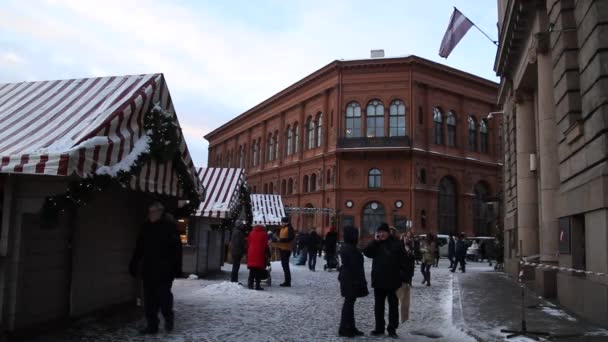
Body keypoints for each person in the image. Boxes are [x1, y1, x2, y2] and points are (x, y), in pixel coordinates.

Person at [129, 202, 181, 334]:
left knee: (164, 297)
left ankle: (168, 318)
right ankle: (152, 326)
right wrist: (134, 263)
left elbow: (177, 250)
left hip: (165, 270)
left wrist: (176, 268)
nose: (150, 214)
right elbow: (139, 247)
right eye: (149, 212)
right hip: (149, 269)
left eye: (153, 212)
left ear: (160, 212)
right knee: (149, 299)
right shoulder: (146, 227)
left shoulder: (170, 227)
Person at [362, 223, 409, 339]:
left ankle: (392, 329)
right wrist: (375, 241)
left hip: (393, 280)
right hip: (378, 280)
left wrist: (403, 276)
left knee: (393, 306)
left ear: (388, 233)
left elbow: (405, 261)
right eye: (379, 232)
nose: (381, 234)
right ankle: (379, 328)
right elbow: (367, 253)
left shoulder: (397, 244)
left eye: (383, 232)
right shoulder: (376, 244)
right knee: (379, 306)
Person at [338, 226, 368, 338]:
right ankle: (345, 328)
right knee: (349, 304)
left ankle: (349, 327)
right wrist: (357, 281)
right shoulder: (350, 249)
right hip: (351, 279)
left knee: (349, 303)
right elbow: (354, 266)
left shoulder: (347, 247)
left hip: (348, 278)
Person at [247, 225, 269, 290]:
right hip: (259, 253)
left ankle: (250, 285)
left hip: (251, 252)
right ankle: (257, 286)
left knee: (252, 270)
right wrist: (268, 253)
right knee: (258, 271)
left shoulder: (251, 233)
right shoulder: (264, 234)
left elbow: (248, 242)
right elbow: (265, 244)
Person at [276, 216, 295, 287]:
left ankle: (287, 282)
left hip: (286, 249)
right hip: (282, 248)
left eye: (282, 222)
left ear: (285, 222)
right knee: (284, 265)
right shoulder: (282, 228)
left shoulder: (289, 228)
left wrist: (282, 240)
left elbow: (291, 237)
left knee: (285, 265)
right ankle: (286, 281)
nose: (281, 223)